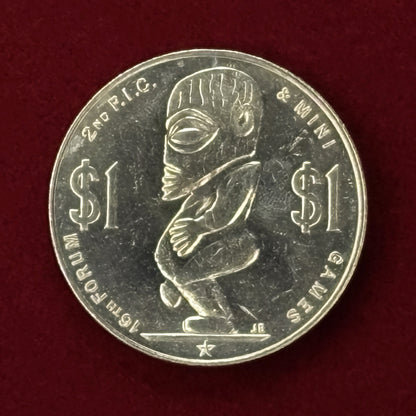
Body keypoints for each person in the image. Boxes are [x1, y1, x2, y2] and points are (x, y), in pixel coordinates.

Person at [154, 67, 264, 334]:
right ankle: (237, 317)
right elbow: (188, 212)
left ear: (242, 122)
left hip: (234, 243)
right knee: (168, 259)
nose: (168, 158)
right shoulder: (205, 183)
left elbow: (226, 213)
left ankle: (219, 320)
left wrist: (198, 227)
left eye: (188, 134)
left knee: (188, 275)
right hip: (204, 239)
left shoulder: (242, 172)